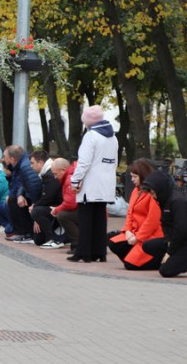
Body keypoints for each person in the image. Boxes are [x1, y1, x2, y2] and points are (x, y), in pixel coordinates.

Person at [69, 105, 118, 263]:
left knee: (85, 220)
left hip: (90, 186)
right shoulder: (113, 137)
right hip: (106, 184)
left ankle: (84, 253)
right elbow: (113, 162)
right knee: (99, 220)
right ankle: (100, 252)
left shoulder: (91, 136)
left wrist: (75, 180)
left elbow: (83, 162)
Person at [141, 170, 187, 278]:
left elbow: (180, 229)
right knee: (147, 246)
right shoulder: (164, 199)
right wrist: (168, 242)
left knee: (166, 272)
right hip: (174, 240)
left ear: (160, 188)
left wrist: (169, 252)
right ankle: (169, 261)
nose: (152, 196)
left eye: (152, 192)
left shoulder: (178, 202)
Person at [108, 159, 165, 270]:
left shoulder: (152, 193)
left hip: (150, 236)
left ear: (143, 176)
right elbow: (130, 213)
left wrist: (138, 238)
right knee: (114, 243)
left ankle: (151, 260)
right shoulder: (136, 190)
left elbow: (152, 221)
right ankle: (135, 258)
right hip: (136, 232)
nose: (132, 180)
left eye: (135, 177)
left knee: (130, 265)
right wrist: (128, 230)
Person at [2, 145, 43, 243]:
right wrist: (20, 194)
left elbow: (34, 187)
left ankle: (25, 233)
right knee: (13, 199)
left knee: (13, 200)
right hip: (30, 195)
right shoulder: (21, 164)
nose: (3, 159)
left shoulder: (24, 166)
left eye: (4, 156)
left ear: (12, 158)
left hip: (36, 198)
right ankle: (22, 232)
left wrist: (35, 205)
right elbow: (22, 183)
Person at [28, 151, 63, 247]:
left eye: (32, 163)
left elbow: (48, 197)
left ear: (40, 163)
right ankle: (54, 236)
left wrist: (35, 207)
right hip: (54, 206)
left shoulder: (50, 174)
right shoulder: (46, 173)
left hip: (58, 206)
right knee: (38, 240)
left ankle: (53, 239)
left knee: (36, 211)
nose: (31, 166)